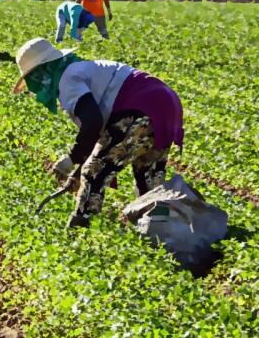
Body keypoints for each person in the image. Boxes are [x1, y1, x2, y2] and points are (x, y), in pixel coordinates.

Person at [13, 36, 184, 229]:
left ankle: (81, 230)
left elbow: (93, 122)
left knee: (94, 172)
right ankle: (163, 230)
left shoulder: (67, 79)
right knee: (148, 175)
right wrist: (77, 173)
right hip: (165, 103)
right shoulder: (81, 69)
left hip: (140, 107)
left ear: (41, 72)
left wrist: (73, 158)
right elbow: (101, 136)